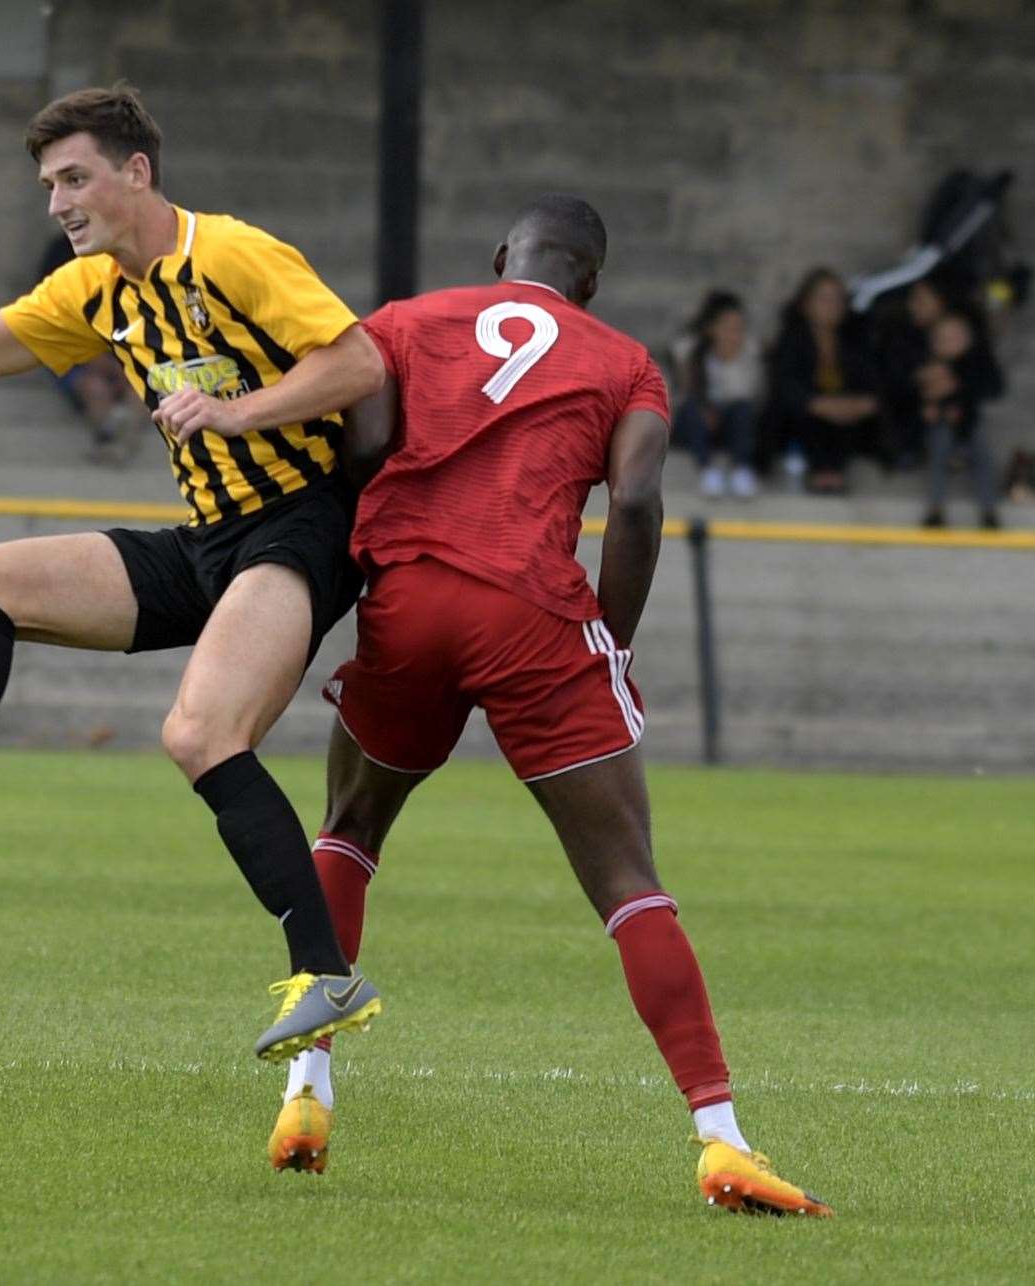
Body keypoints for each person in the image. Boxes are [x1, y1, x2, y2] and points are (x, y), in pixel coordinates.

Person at [0, 85, 384, 1062]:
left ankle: (326, 972)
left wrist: (235, 412)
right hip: (210, 534)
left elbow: (357, 363)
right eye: (46, 184)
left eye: (74, 177)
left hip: (301, 527)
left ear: (135, 172)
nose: (56, 201)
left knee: (198, 731)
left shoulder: (230, 252)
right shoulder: (91, 286)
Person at [263, 194, 831, 1217]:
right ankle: (719, 1138)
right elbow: (639, 499)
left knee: (346, 833)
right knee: (626, 884)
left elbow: (364, 438)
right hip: (528, 610)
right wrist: (606, 633)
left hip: (409, 597)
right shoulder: (624, 362)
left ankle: (308, 1088)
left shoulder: (402, 322)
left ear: (499, 260)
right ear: (590, 283)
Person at [767, 268, 880, 494]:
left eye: (838, 299)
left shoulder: (855, 340)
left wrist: (860, 404)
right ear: (806, 304)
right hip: (802, 421)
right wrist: (820, 405)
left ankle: (836, 471)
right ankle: (821, 471)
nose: (832, 306)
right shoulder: (792, 341)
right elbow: (785, 387)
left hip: (850, 421)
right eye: (824, 299)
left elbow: (873, 384)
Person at [35, 234, 146, 463]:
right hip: (74, 354)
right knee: (94, 388)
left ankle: (123, 438)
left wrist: (119, 364)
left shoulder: (122, 258)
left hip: (119, 352)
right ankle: (108, 438)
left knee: (141, 388)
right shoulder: (61, 255)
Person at [669, 290, 763, 499]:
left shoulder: (749, 353)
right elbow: (681, 396)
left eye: (738, 329)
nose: (733, 334)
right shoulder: (689, 352)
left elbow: (749, 395)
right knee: (692, 409)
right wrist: (706, 408)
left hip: (730, 420)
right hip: (695, 421)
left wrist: (731, 360)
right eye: (727, 328)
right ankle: (707, 471)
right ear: (712, 328)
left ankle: (742, 470)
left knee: (742, 409)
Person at [919, 311, 1005, 529]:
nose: (951, 344)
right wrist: (932, 407)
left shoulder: (976, 365)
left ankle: (989, 509)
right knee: (938, 454)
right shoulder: (929, 366)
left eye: (956, 338)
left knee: (983, 456)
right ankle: (935, 508)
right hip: (941, 424)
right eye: (944, 339)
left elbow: (991, 388)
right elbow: (921, 396)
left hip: (969, 423)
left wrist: (958, 391)